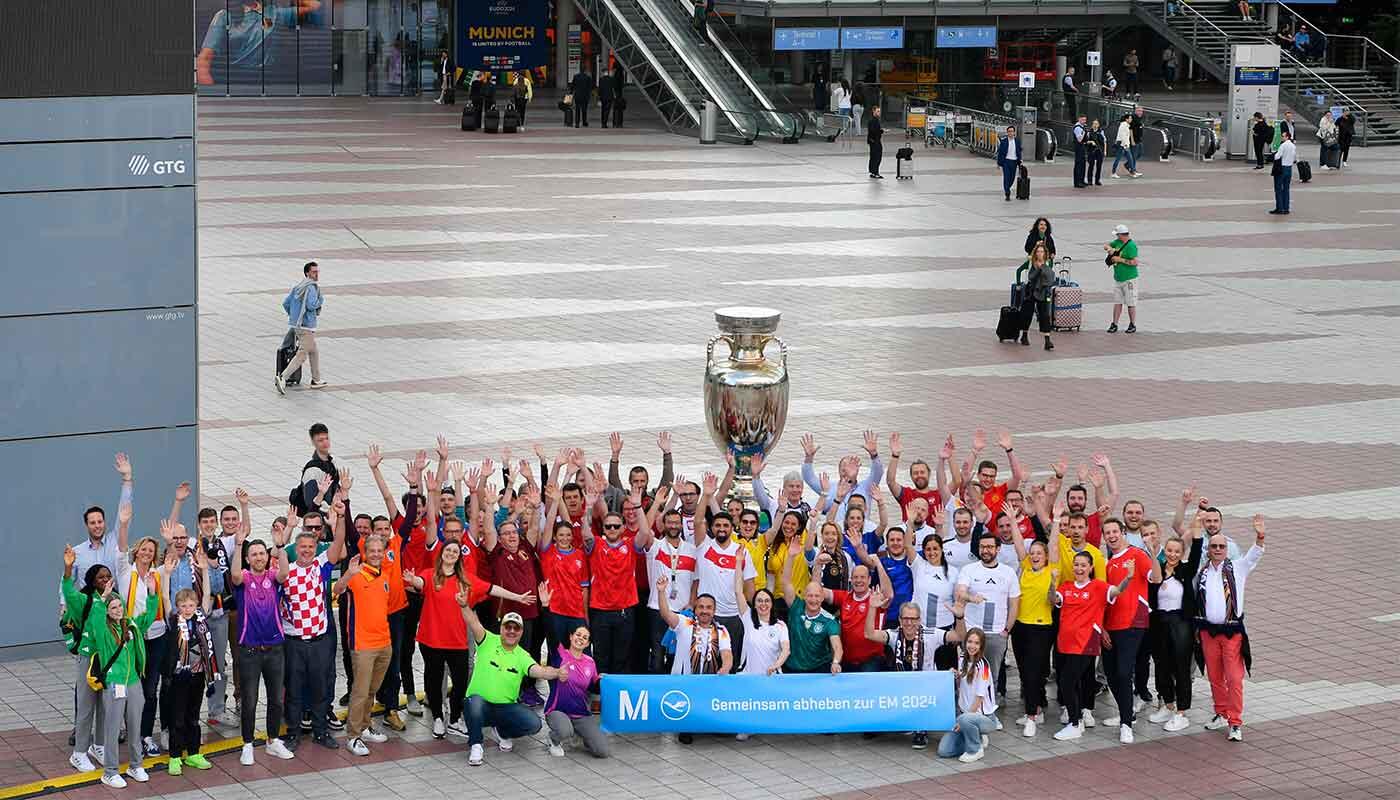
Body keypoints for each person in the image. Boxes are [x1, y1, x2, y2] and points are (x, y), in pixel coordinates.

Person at [62, 545, 159, 788]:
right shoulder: (91, 603)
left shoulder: (123, 619)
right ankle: (80, 752)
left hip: (120, 670)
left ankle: (101, 747)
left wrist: (154, 594)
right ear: (92, 580)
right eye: (100, 577)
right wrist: (67, 569)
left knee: (108, 711)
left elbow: (144, 617)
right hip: (92, 659)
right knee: (86, 707)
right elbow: (77, 601)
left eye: (108, 576)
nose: (106, 580)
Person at [279, 489, 348, 753]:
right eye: (302, 548)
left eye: (310, 547)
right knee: (294, 690)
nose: (307, 551)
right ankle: (294, 733)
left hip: (318, 640)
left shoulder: (321, 565)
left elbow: (338, 543)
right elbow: (276, 554)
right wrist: (284, 534)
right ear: (296, 550)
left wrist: (340, 519)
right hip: (294, 641)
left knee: (320, 689)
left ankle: (320, 732)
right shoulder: (286, 572)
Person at [228, 514, 295, 766]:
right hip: (249, 651)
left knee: (277, 698)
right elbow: (234, 575)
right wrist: (238, 544)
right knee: (250, 699)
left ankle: (272, 740)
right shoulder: (243, 579)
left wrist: (279, 546)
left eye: (261, 553)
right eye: (253, 554)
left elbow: (285, 572)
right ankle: (247, 744)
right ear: (248, 558)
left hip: (275, 648)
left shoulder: (273, 577)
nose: (258, 557)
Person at [460, 603, 564, 766]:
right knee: (473, 703)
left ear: (521, 632)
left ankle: (503, 731)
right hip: (480, 705)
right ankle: (476, 744)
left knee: (534, 724)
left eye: (516, 629)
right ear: (501, 628)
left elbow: (540, 671)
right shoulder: (487, 640)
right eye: (508, 627)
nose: (511, 631)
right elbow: (473, 622)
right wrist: (464, 605)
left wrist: (558, 673)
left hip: (505, 708)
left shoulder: (523, 656)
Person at [1196, 515, 1267, 742]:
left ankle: (1235, 722)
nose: (1217, 549)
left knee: (1234, 678)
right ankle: (1221, 711)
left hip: (1231, 632)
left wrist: (1260, 535)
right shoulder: (1203, 572)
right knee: (1215, 676)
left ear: (1228, 549)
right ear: (1208, 549)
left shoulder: (1238, 567)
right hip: (1208, 632)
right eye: (1214, 546)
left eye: (1222, 546)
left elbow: (1255, 553)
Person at [865, 589, 965, 749]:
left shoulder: (931, 634)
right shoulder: (894, 634)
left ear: (919, 620)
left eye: (913, 619)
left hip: (926, 688)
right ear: (899, 619)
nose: (909, 623)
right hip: (903, 686)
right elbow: (869, 634)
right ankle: (907, 721)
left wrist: (959, 617)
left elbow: (959, 636)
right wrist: (872, 608)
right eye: (905, 618)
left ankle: (921, 729)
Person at [1052, 552, 1134, 741]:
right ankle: (1078, 720)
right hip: (1065, 644)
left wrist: (1128, 578)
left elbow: (1116, 591)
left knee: (1067, 682)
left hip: (1085, 644)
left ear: (1090, 567)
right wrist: (1052, 581)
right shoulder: (1066, 587)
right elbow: (1053, 599)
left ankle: (1074, 723)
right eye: (1076, 565)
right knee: (1072, 682)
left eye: (1083, 565)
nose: (1079, 569)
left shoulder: (1097, 586)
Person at [1099, 518, 1162, 743]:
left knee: (1125, 672)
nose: (1112, 536)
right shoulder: (1106, 564)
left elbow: (1156, 578)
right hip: (1110, 625)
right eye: (1107, 533)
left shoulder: (1137, 554)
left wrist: (1152, 553)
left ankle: (1126, 723)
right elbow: (1104, 599)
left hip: (1133, 623)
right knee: (1111, 672)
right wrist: (1103, 628)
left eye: (1115, 531)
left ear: (1123, 532)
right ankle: (1128, 712)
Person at [334, 539, 395, 756]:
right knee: (359, 692)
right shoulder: (356, 575)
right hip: (363, 645)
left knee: (372, 690)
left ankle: (365, 725)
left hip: (384, 643)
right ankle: (353, 736)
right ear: (365, 552)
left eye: (380, 550)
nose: (377, 554)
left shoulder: (385, 575)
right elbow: (337, 589)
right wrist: (349, 574)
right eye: (372, 551)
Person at [1147, 510, 1203, 733]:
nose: (1172, 554)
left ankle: (1181, 712)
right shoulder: (1158, 568)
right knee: (1161, 665)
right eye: (1169, 550)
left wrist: (1197, 528)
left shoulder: (1187, 570)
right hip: (1159, 621)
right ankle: (1167, 704)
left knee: (1181, 667)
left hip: (1181, 623)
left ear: (1182, 553)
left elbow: (1198, 551)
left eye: (1176, 551)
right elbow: (1155, 581)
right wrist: (1153, 553)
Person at [160, 572, 219, 777]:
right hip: (179, 676)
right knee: (178, 717)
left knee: (193, 716)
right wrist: (166, 574)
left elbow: (207, 594)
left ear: (196, 606)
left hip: (199, 675)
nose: (187, 609)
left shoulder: (201, 620)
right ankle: (175, 756)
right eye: (183, 606)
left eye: (191, 605)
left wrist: (204, 569)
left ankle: (193, 753)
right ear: (178, 607)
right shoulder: (173, 620)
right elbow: (165, 598)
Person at [118, 532, 169, 759]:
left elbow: (173, 555)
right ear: (136, 550)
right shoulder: (125, 573)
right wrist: (125, 522)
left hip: (157, 637)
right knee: (132, 688)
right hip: (132, 638)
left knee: (150, 689)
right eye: (144, 549)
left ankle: (146, 736)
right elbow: (120, 549)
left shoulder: (157, 575)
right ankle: (132, 733)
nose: (147, 553)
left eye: (151, 550)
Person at [955, 534, 1020, 698]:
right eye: (982, 547)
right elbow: (960, 592)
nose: (986, 550)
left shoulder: (1008, 573)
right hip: (972, 632)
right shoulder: (969, 570)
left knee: (991, 676)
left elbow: (1014, 604)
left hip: (996, 634)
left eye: (990, 547)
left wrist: (1006, 630)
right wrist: (971, 597)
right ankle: (967, 709)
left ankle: (989, 713)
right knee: (968, 673)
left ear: (998, 549)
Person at [1006, 537, 1056, 737]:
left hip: (1041, 627)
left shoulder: (1052, 571)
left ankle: (1031, 717)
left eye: (1039, 553)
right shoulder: (1026, 569)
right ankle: (1037, 707)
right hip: (1020, 627)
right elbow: (1019, 546)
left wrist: (1053, 585)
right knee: (1025, 671)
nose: (1035, 556)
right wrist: (1012, 520)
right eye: (1032, 553)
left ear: (1046, 556)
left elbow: (1052, 600)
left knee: (1033, 672)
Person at [543, 623, 609, 757]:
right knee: (565, 731)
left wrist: (602, 681)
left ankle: (581, 734)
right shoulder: (560, 654)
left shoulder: (590, 662)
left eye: (585, 638)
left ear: (587, 643)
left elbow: (592, 687)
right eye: (578, 635)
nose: (580, 639)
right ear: (571, 637)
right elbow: (551, 633)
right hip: (557, 710)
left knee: (603, 752)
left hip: (580, 714)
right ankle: (553, 740)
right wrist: (545, 607)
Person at [935, 628, 997, 762]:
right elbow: (964, 684)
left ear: (981, 646)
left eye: (976, 643)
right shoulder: (962, 657)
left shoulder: (983, 666)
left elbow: (979, 698)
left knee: (965, 720)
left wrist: (963, 719)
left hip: (983, 717)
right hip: (964, 715)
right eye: (970, 641)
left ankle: (975, 749)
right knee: (944, 751)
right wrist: (956, 674)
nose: (972, 646)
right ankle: (976, 737)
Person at [780, 547, 843, 674]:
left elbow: (837, 646)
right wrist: (791, 556)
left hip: (818, 670)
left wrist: (835, 662)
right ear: (804, 595)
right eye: (810, 595)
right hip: (792, 669)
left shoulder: (829, 620)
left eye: (817, 596)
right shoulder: (796, 606)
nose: (813, 600)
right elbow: (786, 582)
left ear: (822, 597)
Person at [275, 261, 325, 394]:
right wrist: (321, 300)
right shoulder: (311, 287)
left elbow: (286, 303)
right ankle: (283, 378)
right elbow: (311, 305)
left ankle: (316, 379)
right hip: (306, 326)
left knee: (313, 350)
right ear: (307, 273)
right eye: (314, 272)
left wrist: (294, 317)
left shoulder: (298, 286)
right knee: (302, 355)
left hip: (296, 325)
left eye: (317, 271)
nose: (316, 274)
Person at [1019, 242, 1056, 351]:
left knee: (1045, 315)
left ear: (1045, 253)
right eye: (1038, 251)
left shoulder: (1048, 263)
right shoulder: (1031, 263)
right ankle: (1024, 335)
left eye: (1042, 251)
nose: (1040, 254)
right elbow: (1031, 277)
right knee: (1027, 313)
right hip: (1031, 291)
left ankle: (1047, 340)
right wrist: (1039, 269)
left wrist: (1043, 267)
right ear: (1035, 253)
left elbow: (1050, 277)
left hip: (1044, 292)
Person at [1104, 224, 1140, 333]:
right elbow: (1106, 245)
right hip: (1118, 278)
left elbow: (1135, 262)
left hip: (1129, 279)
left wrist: (1120, 260)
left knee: (1131, 303)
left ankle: (1132, 324)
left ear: (1122, 235)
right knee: (1117, 302)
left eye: (1117, 235)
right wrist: (1110, 249)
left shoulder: (1131, 246)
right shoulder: (1117, 242)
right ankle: (1114, 324)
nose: (1116, 237)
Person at [1270, 130, 1296, 215]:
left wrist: (1273, 155)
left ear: (1287, 137)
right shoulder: (1293, 146)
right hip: (1289, 168)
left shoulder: (1283, 145)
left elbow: (1277, 157)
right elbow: (1295, 158)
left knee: (1278, 189)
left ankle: (1279, 208)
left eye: (1283, 136)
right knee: (1286, 189)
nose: (1282, 137)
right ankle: (1286, 208)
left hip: (1281, 168)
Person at [995, 125, 1021, 202]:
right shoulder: (1004, 142)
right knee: (1006, 177)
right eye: (1009, 131)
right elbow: (1000, 153)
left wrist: (1020, 160)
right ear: (1007, 133)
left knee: (1012, 178)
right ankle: (1007, 193)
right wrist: (999, 163)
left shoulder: (1017, 141)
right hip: (1006, 162)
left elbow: (1019, 151)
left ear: (1014, 133)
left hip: (1014, 162)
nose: (1010, 133)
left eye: (1012, 131)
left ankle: (1007, 187)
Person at [1111, 113, 1139, 178]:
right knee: (1118, 159)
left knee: (1130, 159)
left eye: (1131, 118)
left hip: (1126, 145)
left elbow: (1126, 137)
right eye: (1130, 118)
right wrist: (1125, 145)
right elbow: (1122, 136)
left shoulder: (1127, 125)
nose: (1131, 119)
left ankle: (1132, 172)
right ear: (1126, 119)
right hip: (1122, 145)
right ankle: (1113, 172)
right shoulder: (1123, 125)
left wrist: (1127, 145)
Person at [1086, 119, 1106, 185]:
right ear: (1092, 125)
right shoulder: (1089, 132)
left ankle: (1097, 180)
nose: (1095, 125)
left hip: (1099, 150)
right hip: (1091, 151)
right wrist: (1091, 142)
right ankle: (1090, 180)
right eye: (1094, 124)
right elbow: (1085, 141)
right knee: (1091, 165)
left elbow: (1105, 142)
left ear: (1099, 125)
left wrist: (1105, 151)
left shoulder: (1101, 132)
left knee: (1099, 166)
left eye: (1096, 124)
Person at [867, 106, 884, 179]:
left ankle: (873, 172)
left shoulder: (875, 120)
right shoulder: (872, 120)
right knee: (876, 157)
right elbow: (873, 131)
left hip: (874, 140)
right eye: (877, 111)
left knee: (874, 157)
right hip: (874, 141)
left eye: (879, 111)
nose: (879, 113)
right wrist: (881, 131)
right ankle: (875, 172)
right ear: (873, 111)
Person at [1072, 114, 1088, 187]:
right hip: (1078, 147)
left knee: (1083, 163)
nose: (1084, 121)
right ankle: (1077, 182)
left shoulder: (1082, 127)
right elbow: (1079, 139)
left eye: (1085, 120)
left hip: (1083, 146)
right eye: (1083, 120)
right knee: (1078, 164)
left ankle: (1081, 180)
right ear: (1079, 119)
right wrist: (1084, 132)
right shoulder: (1078, 128)